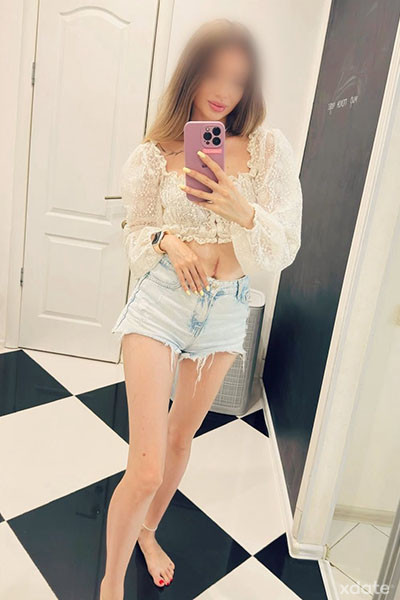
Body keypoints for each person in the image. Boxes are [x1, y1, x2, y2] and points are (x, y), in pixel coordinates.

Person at [100, 18, 303, 600]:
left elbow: (285, 245)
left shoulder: (266, 150)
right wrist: (169, 239)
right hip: (163, 301)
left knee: (181, 440)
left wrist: (244, 210)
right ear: (190, 73)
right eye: (213, 73)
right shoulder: (154, 155)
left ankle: (147, 533)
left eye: (238, 79)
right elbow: (136, 229)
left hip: (225, 311)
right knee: (146, 465)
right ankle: (110, 583)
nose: (223, 91)